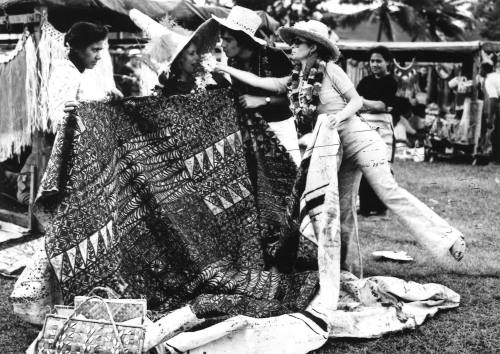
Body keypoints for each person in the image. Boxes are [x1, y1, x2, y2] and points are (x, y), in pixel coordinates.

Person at [215, 20, 466, 268]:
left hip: (360, 138)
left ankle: (449, 238)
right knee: (342, 208)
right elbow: (265, 84)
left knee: (388, 191)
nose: (291, 46)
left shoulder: (330, 70)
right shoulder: (297, 78)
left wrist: (339, 116)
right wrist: (226, 70)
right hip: (335, 145)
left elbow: (355, 101)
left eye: (297, 42)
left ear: (312, 47)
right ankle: (341, 268)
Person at [211, 6, 301, 166]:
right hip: (253, 130)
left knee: (291, 171)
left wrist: (263, 100)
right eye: (222, 38)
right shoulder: (233, 61)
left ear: (243, 40)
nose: (222, 44)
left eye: (228, 39)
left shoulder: (275, 56)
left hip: (280, 125)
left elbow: (295, 98)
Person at [356, 45, 397, 217]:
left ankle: (381, 207)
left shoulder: (391, 82)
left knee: (382, 167)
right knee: (364, 166)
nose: (374, 64)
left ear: (387, 62)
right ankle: (365, 206)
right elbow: (355, 104)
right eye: (372, 61)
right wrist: (367, 104)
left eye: (379, 61)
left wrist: (363, 101)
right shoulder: (365, 81)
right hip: (365, 128)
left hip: (383, 130)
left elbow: (382, 105)